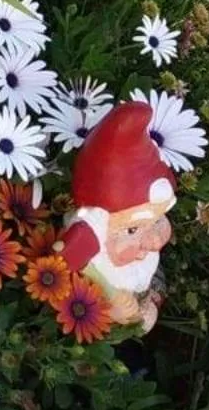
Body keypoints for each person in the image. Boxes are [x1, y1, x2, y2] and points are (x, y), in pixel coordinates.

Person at [59, 101, 177, 331]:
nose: (152, 241)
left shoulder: (139, 255)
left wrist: (150, 296)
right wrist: (107, 303)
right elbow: (65, 263)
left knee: (148, 309)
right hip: (89, 308)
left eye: (159, 220)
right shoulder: (93, 246)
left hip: (140, 287)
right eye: (132, 230)